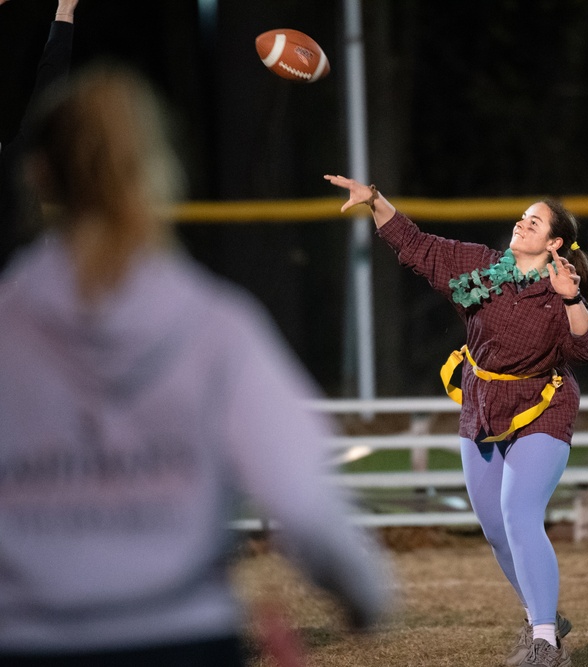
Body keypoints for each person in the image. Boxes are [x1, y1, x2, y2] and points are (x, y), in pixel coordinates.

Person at [0, 65, 394, 665]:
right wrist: (365, 598)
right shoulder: (216, 326)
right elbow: (305, 503)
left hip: (28, 641)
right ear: (157, 174)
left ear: (38, 175)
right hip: (184, 635)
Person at [325, 174, 588, 667]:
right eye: (523, 217)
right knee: (495, 527)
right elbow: (418, 247)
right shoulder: (482, 267)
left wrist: (571, 299)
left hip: (542, 408)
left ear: (555, 243)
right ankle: (542, 615)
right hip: (482, 404)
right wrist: (374, 200)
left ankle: (545, 642)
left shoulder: (560, 289)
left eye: (535, 222)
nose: (522, 224)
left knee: (519, 513)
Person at [0, 0, 78, 271]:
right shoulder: (12, 167)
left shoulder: (11, 165)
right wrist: (64, 12)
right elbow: (49, 90)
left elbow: (49, 91)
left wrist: (64, 12)